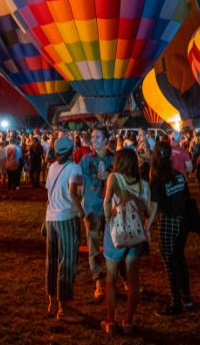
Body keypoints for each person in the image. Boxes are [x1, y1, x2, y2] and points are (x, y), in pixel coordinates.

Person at [101, 148, 156, 335]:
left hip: (116, 233)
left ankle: (110, 322)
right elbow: (149, 211)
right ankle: (128, 323)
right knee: (133, 280)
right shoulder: (144, 185)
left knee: (111, 279)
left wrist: (108, 216)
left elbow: (107, 201)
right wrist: (146, 228)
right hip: (136, 235)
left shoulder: (114, 178)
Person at [44, 134, 85, 322]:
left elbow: (49, 192)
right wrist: (81, 211)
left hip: (51, 218)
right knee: (67, 261)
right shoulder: (74, 168)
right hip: (66, 217)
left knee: (52, 261)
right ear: (71, 151)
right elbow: (73, 191)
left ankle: (52, 302)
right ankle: (64, 308)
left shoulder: (52, 167)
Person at [150, 141, 193, 316]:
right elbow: (186, 199)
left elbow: (153, 207)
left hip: (168, 222)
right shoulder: (179, 176)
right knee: (180, 259)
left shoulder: (157, 180)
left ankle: (175, 304)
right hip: (183, 222)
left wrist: (146, 226)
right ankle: (186, 297)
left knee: (170, 262)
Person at [79, 127, 114, 302]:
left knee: (114, 244)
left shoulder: (114, 160)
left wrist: (108, 176)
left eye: (98, 137)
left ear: (106, 140)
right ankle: (98, 280)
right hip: (92, 207)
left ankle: (120, 277)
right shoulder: (85, 160)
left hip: (110, 210)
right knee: (93, 246)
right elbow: (81, 184)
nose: (94, 140)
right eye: (92, 137)